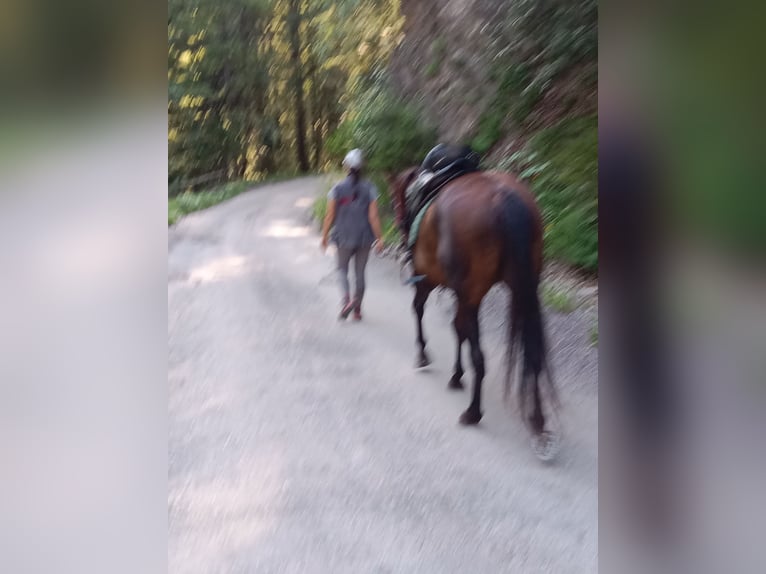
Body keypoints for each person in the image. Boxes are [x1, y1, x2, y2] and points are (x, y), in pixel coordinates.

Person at [321, 149, 383, 320]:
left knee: (342, 270)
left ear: (346, 167)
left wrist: (324, 236)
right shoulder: (370, 188)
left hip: (343, 236)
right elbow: (373, 216)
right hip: (364, 237)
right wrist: (380, 238)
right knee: (360, 274)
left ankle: (347, 299)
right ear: (362, 167)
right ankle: (357, 310)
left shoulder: (337, 189)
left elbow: (330, 216)